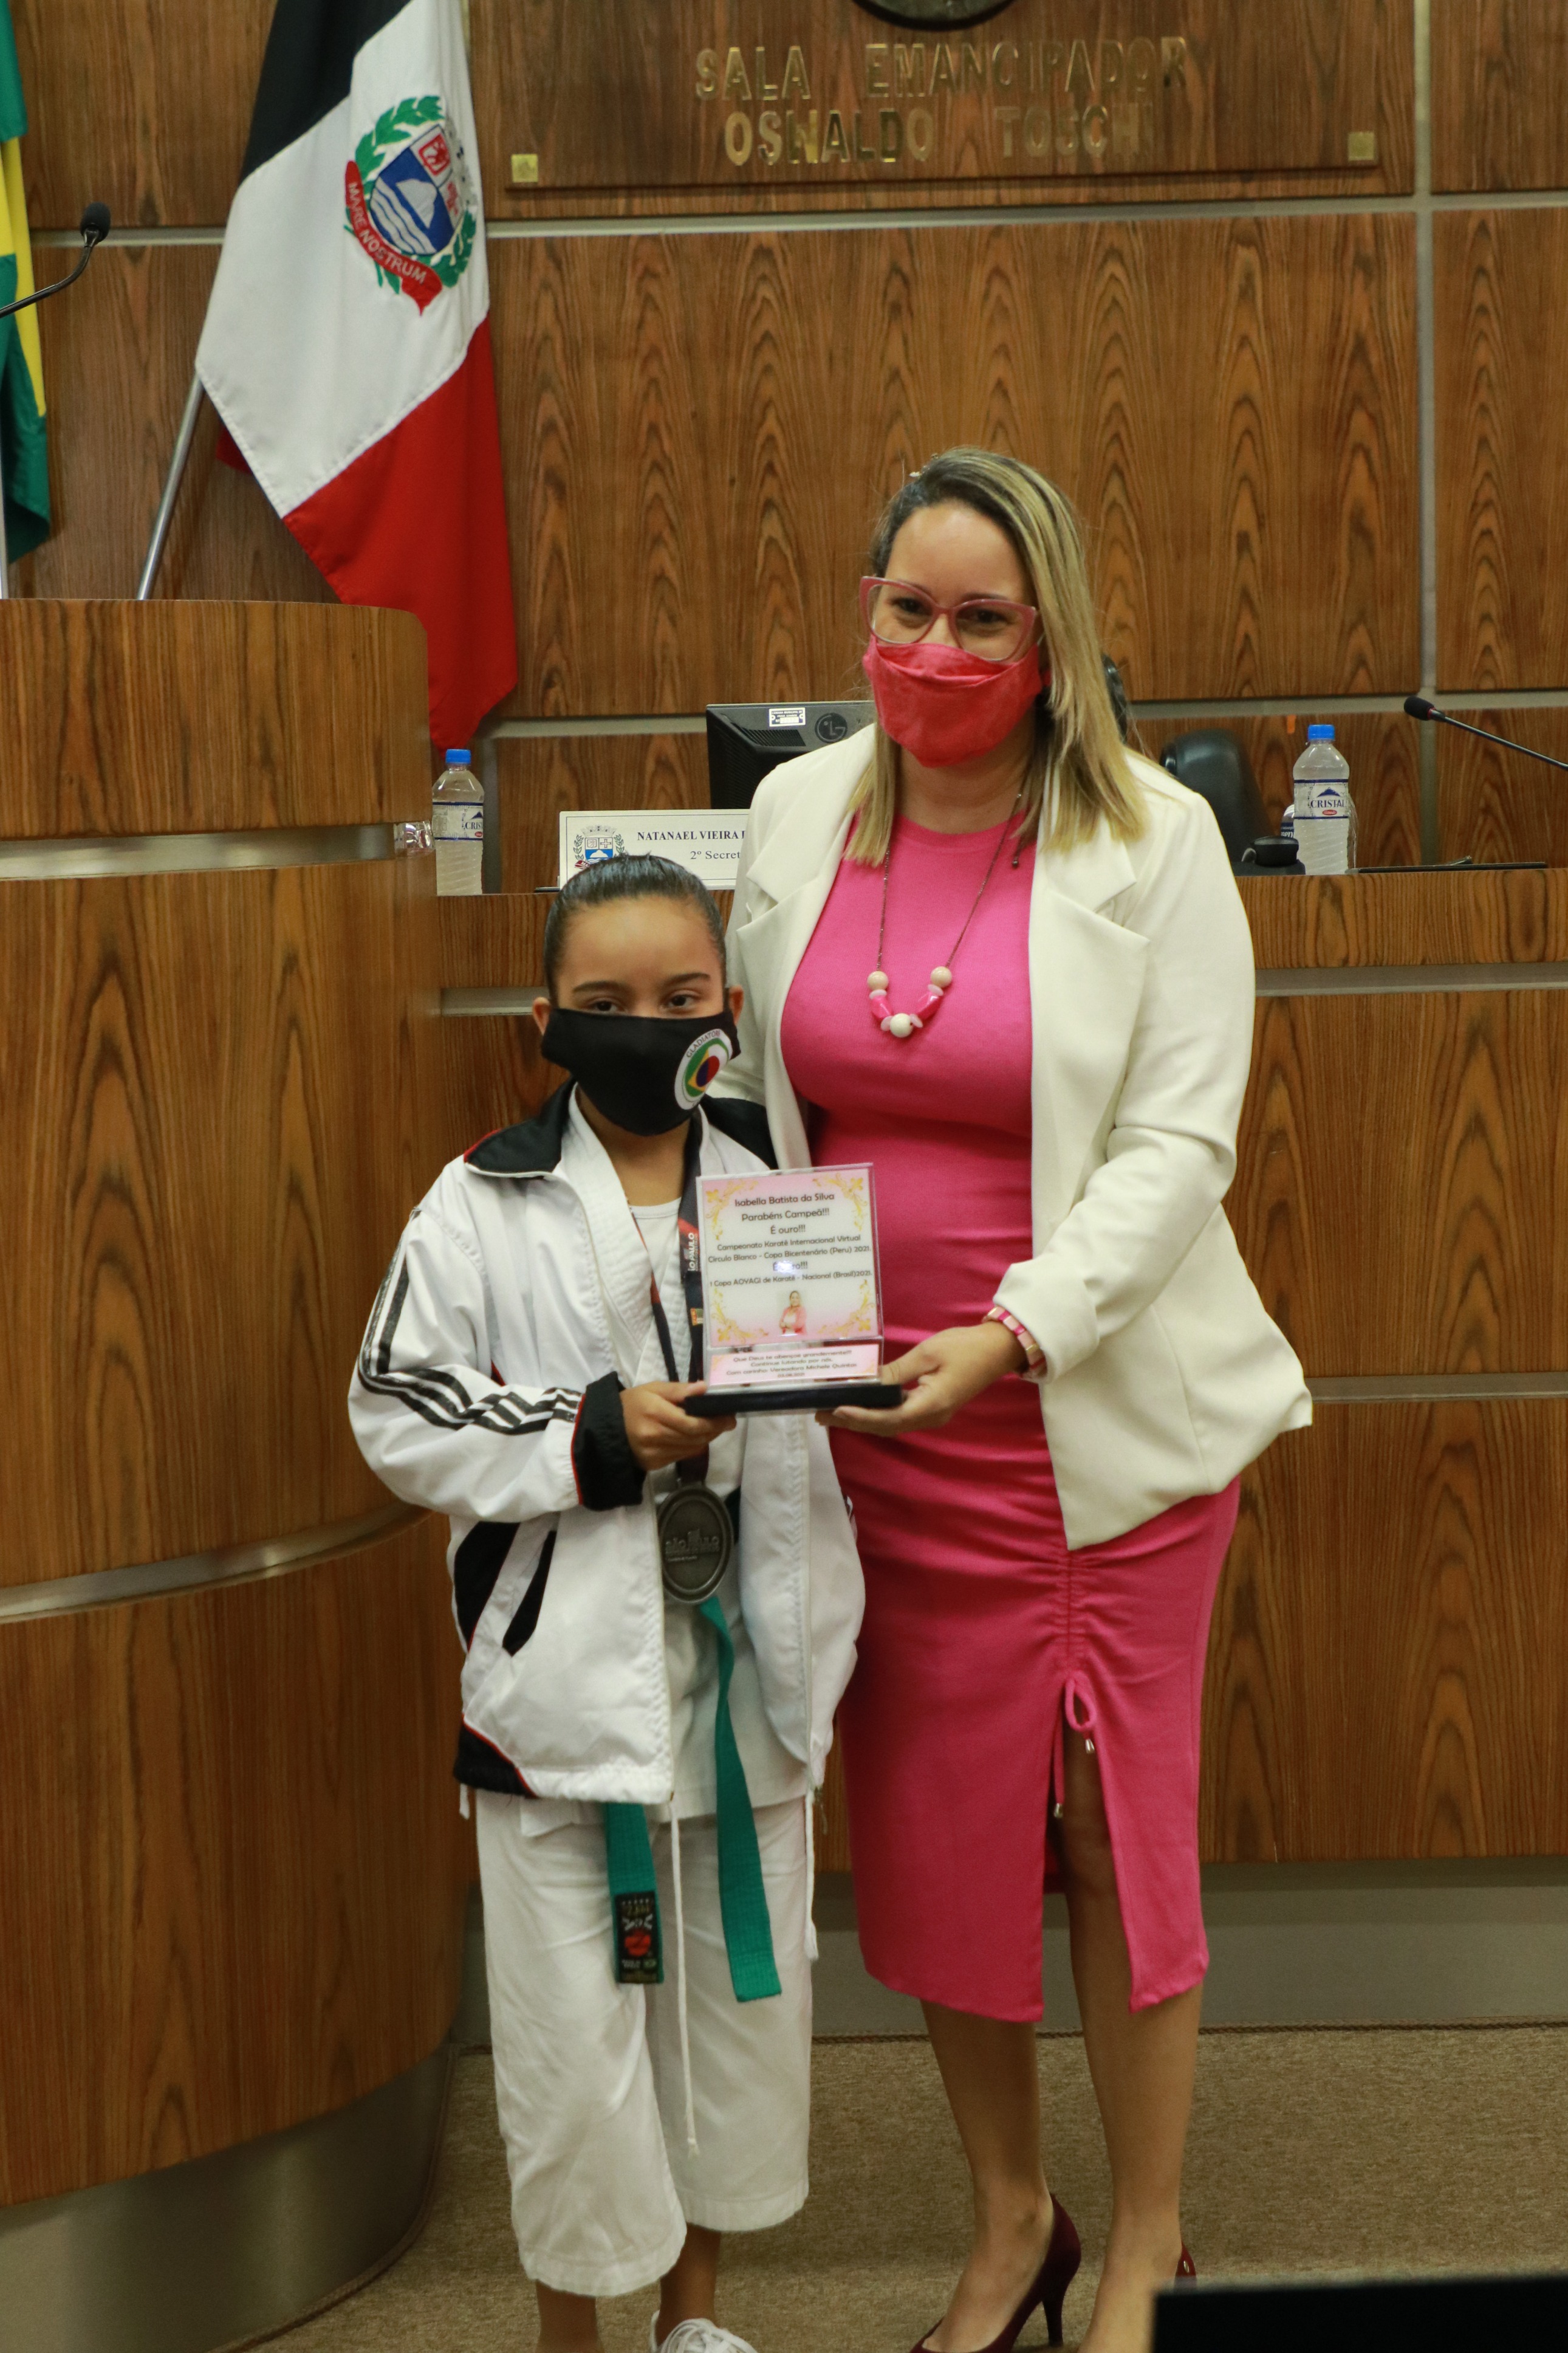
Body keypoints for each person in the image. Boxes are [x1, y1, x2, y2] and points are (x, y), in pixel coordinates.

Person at [715, 450, 1310, 2353]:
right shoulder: (795, 813)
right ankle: (1009, 2224)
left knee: (1109, 1839)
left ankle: (1143, 2246)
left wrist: (1011, 1330)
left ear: (1052, 642)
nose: (936, 648)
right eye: (906, 610)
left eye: (981, 620)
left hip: (1087, 1431)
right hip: (868, 1438)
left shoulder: (1155, 839)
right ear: (863, 613)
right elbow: (771, 1101)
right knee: (936, 1833)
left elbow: (1177, 1146)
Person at [349, 857, 863, 2353]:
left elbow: (826, 1379)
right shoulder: (481, 1199)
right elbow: (397, 1408)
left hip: (745, 1676)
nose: (647, 1025)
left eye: (680, 998)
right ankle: (568, 2336)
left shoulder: (779, 1183)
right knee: (573, 2066)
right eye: (606, 1001)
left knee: (727, 2040)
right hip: (561, 1700)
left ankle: (691, 2323)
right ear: (547, 1022)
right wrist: (592, 1431)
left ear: (730, 1010)